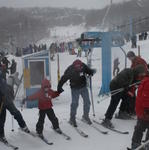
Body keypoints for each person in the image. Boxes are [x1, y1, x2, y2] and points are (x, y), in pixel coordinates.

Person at [57, 59, 96, 127]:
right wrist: (59, 87)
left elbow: (88, 70)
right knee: (75, 103)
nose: (79, 68)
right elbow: (63, 78)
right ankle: (72, 119)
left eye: (80, 67)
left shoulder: (83, 66)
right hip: (75, 88)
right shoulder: (70, 69)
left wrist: (91, 72)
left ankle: (85, 116)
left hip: (83, 87)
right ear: (74, 66)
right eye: (77, 67)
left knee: (87, 102)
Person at [0, 69, 29, 142]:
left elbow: (11, 88)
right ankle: (1, 135)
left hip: (7, 101)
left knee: (16, 113)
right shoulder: (5, 80)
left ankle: (23, 126)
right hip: (2, 103)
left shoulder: (4, 80)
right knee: (1, 120)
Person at [130, 76, 149, 149]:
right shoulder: (148, 82)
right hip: (144, 110)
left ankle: (145, 144)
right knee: (140, 127)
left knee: (140, 126)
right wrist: (147, 109)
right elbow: (146, 97)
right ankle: (135, 144)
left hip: (143, 109)